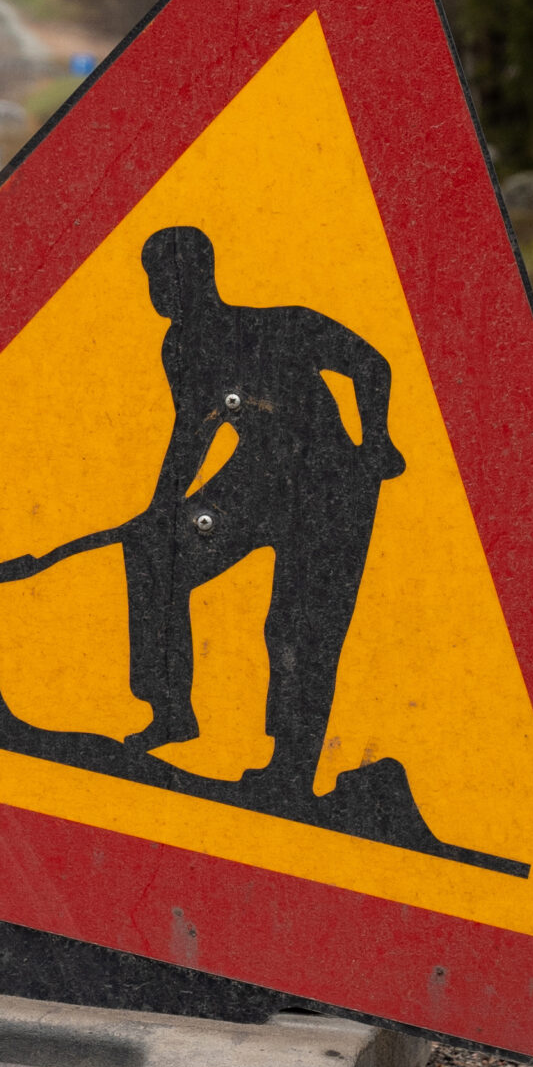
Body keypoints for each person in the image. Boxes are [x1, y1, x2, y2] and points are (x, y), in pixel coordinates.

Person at [120, 226, 405, 803]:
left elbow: (372, 364)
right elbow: (192, 432)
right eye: (152, 279)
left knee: (296, 627)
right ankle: (170, 709)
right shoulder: (179, 347)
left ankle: (291, 771)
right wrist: (160, 509)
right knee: (155, 551)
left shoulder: (283, 325)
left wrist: (374, 439)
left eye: (164, 278)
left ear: (198, 278)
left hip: (329, 484)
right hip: (258, 478)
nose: (157, 291)